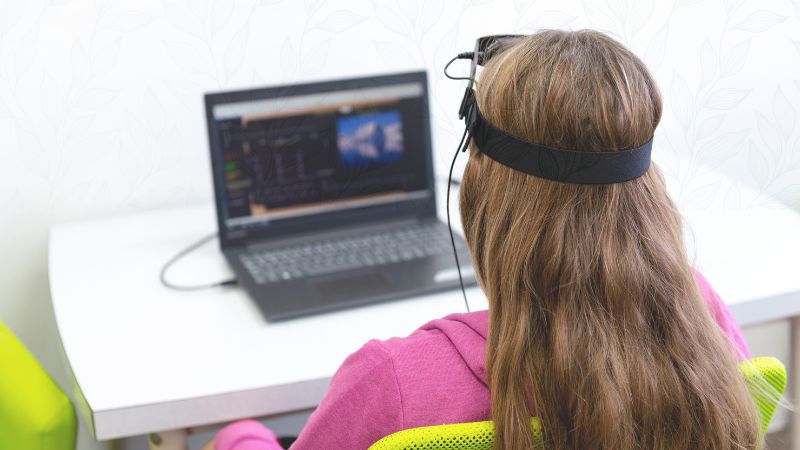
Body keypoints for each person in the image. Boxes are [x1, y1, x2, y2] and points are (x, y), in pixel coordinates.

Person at [203, 30, 759, 450]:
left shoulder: (393, 385)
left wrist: (242, 435)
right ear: (647, 195)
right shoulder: (700, 320)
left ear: (486, 198)